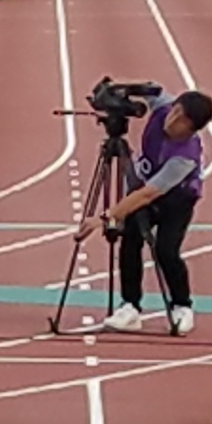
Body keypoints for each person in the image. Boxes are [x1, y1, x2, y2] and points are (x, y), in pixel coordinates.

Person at [79, 88, 212, 335]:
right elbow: (153, 88)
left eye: (182, 120)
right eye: (175, 111)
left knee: (166, 250)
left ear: (193, 129)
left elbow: (148, 194)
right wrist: (122, 88)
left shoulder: (185, 157)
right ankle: (130, 306)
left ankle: (182, 306)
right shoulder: (163, 106)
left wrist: (106, 217)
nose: (173, 119)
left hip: (176, 201)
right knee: (130, 240)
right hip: (145, 186)